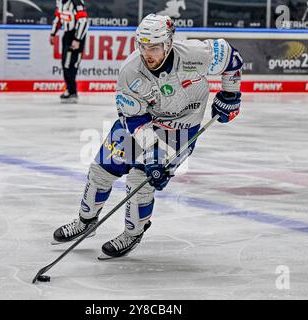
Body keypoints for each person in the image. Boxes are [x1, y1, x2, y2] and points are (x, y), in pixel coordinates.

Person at [53, 14, 243, 258]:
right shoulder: (130, 71)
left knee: (139, 180)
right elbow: (134, 120)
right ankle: (85, 221)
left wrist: (230, 95)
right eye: (142, 46)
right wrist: (153, 153)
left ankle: (132, 233)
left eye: (154, 46)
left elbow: (232, 57)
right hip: (142, 122)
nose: (147, 53)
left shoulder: (195, 55)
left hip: (181, 128)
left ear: (169, 43)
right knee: (102, 169)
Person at [50, 0, 89, 103]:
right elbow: (58, 17)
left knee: (73, 64)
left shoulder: (76, 2)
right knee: (65, 64)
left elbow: (83, 21)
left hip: (76, 35)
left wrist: (77, 39)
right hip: (67, 35)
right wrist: (53, 33)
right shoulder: (59, 1)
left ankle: (72, 91)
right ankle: (70, 90)